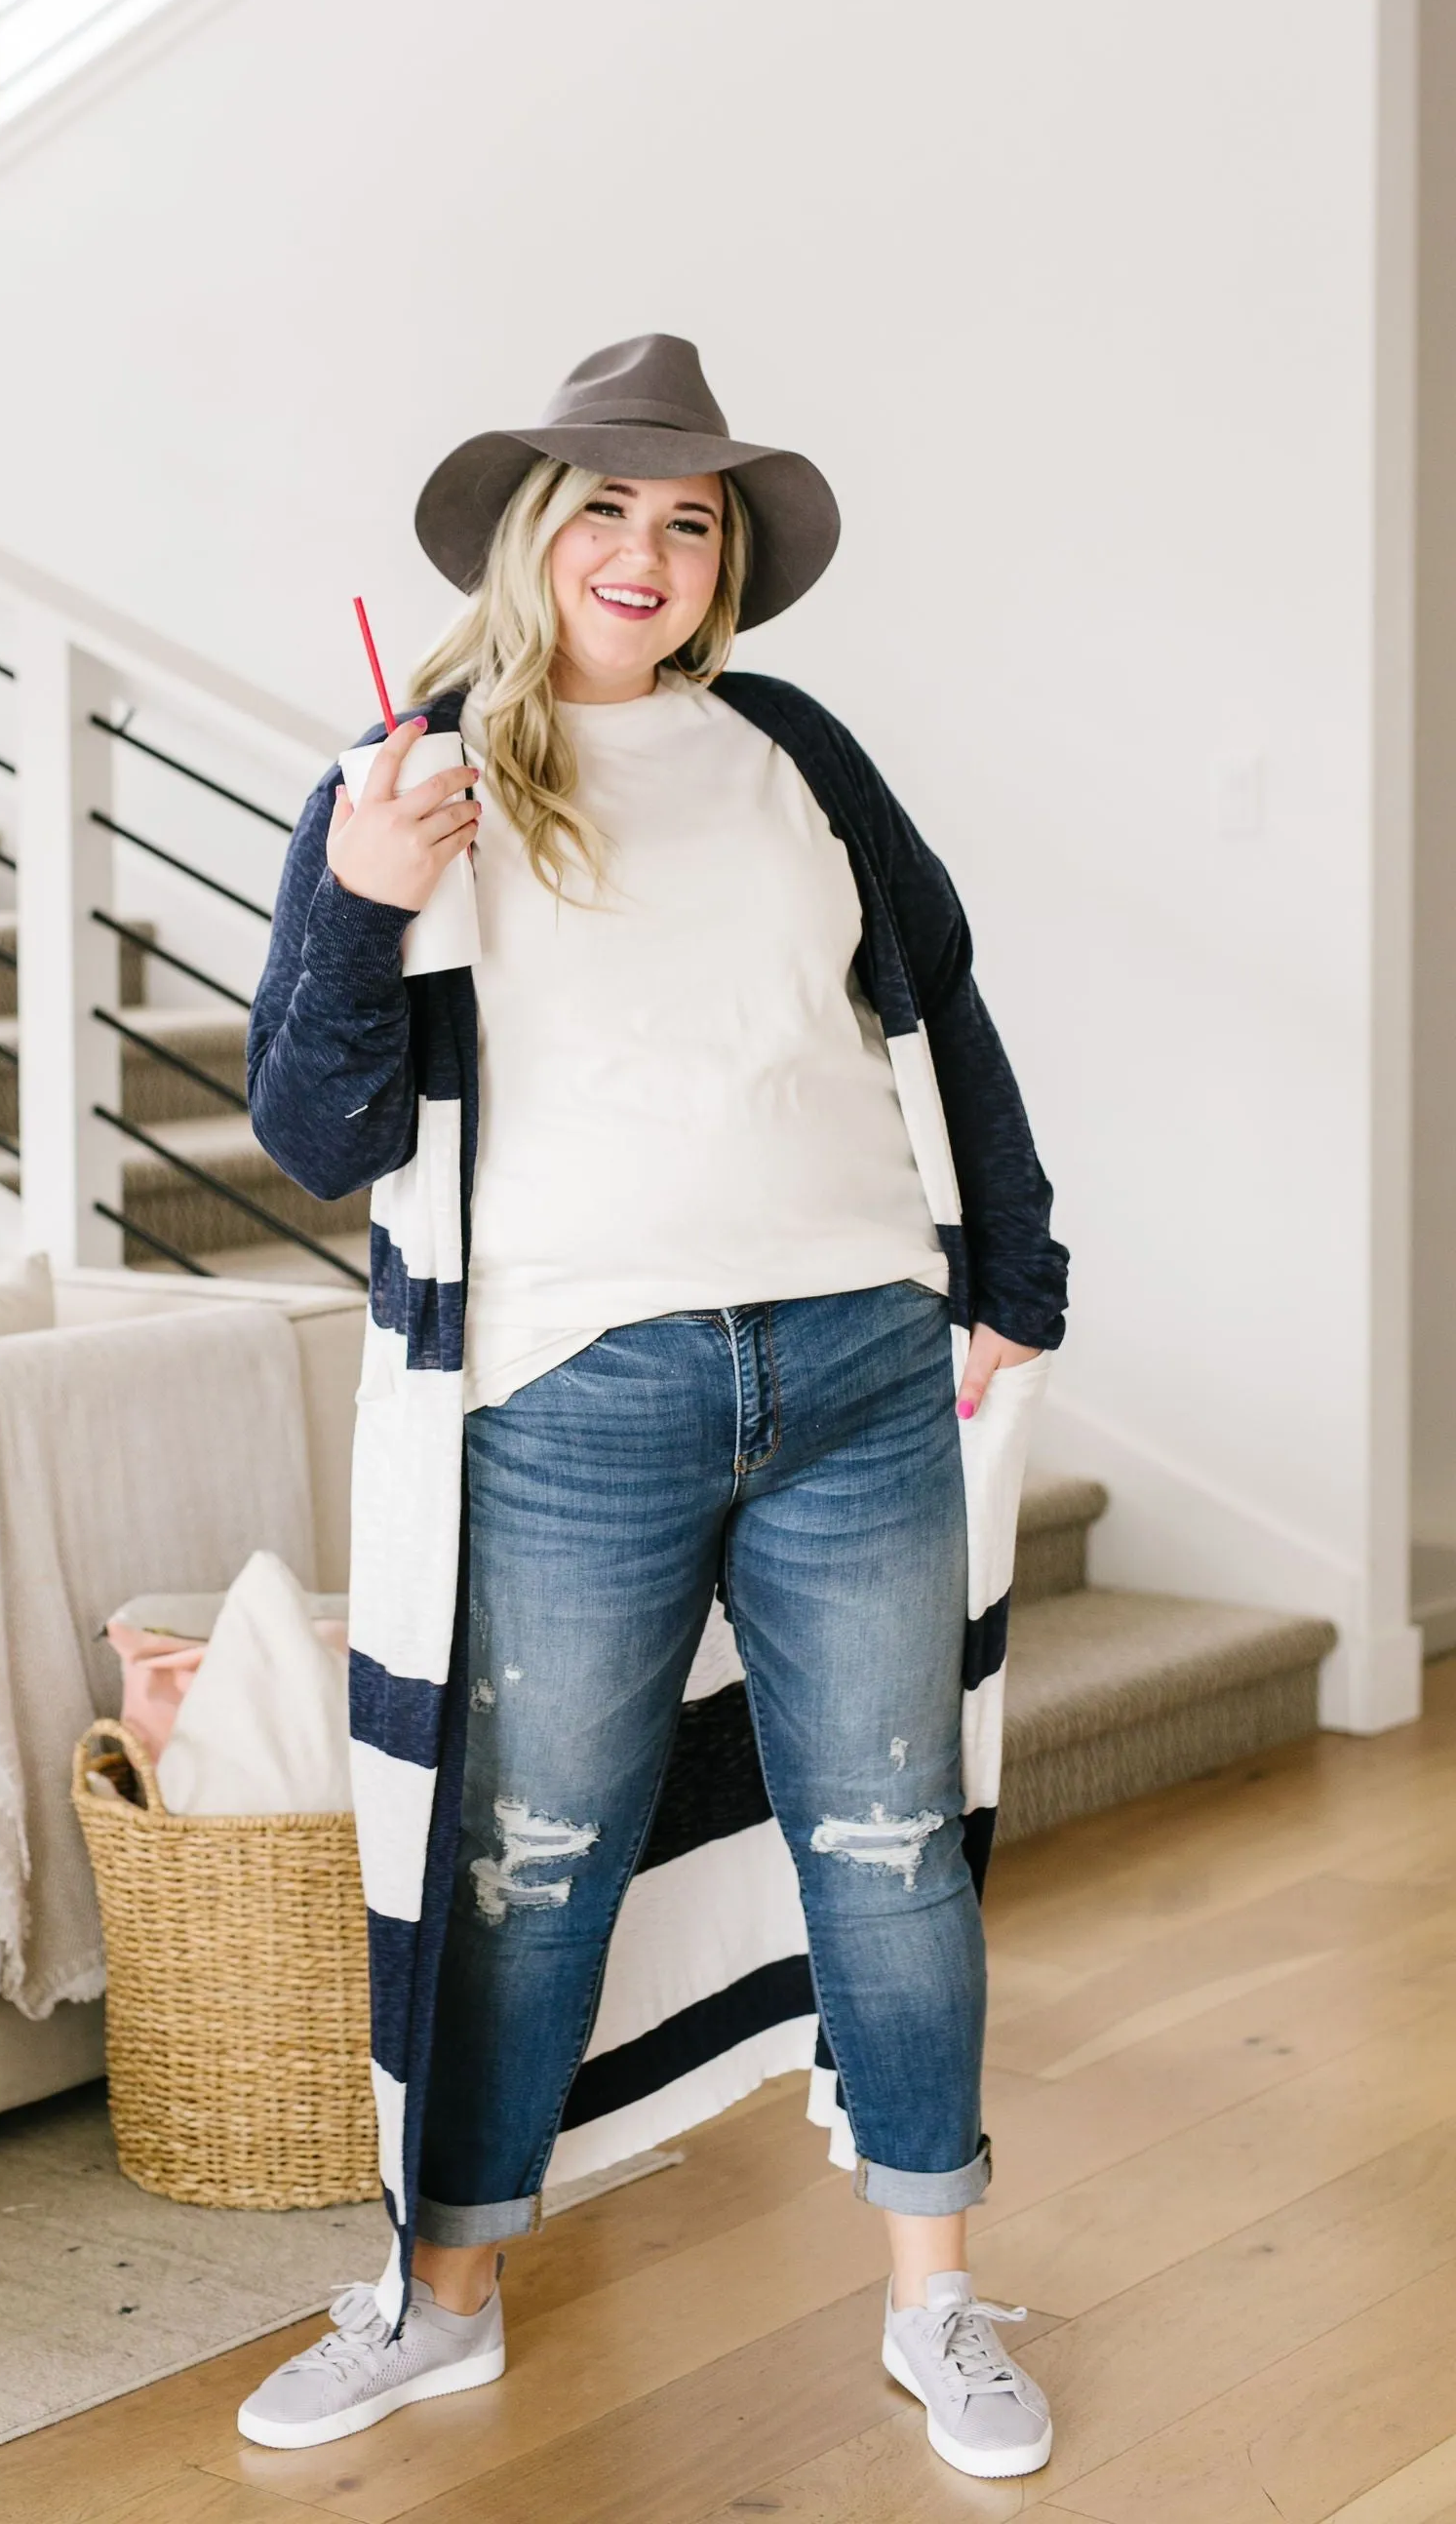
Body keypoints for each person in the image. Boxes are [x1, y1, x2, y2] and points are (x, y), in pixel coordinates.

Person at [236, 337, 1068, 2481]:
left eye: (688, 520)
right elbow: (313, 1132)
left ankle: (937, 2299)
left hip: (859, 1364)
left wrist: (1014, 1278)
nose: (645, 549)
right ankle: (441, 2306)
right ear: (535, 534)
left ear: (724, 569)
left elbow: (937, 1001)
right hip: (571, 1388)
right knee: (519, 1860)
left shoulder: (793, 748)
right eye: (605, 507)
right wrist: (366, 895)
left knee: (889, 1846)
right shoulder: (411, 772)